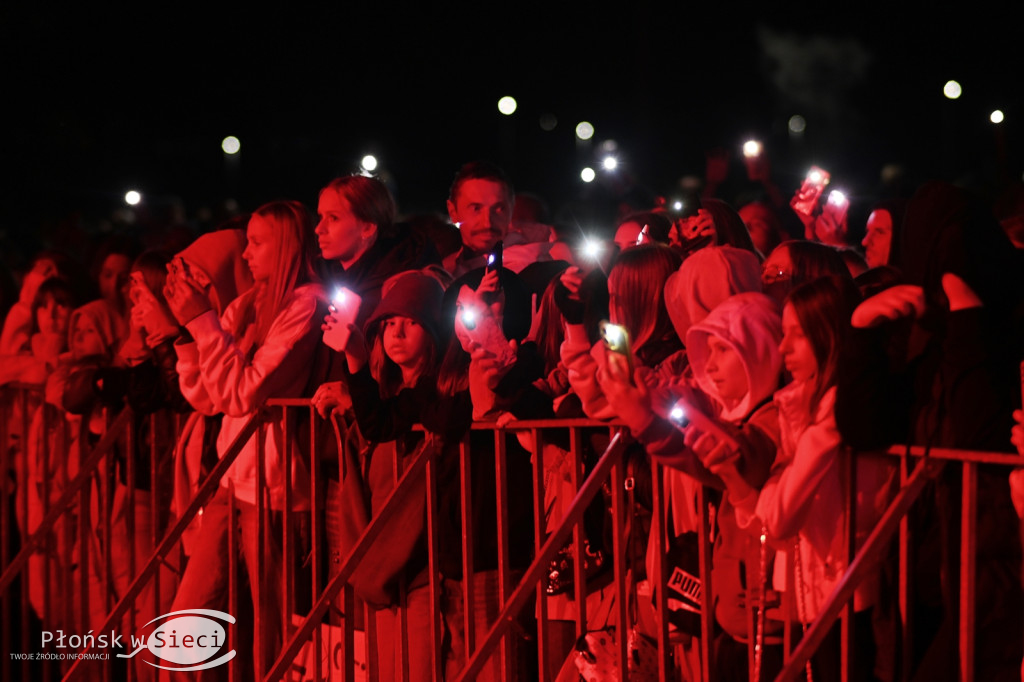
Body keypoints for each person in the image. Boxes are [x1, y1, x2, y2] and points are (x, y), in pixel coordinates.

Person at [166, 200, 328, 676]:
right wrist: (188, 334)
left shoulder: (307, 303)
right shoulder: (251, 301)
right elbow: (207, 397)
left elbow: (242, 392)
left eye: (257, 243)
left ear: (286, 248)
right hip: (230, 482)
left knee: (272, 637)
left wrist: (203, 326)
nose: (246, 254)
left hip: (276, 493)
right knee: (187, 624)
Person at [705, 277, 894, 681]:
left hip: (846, 596)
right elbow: (773, 524)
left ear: (829, 336)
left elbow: (780, 517)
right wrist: (742, 482)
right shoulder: (801, 407)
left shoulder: (833, 416)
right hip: (815, 595)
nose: (783, 348)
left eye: (798, 335)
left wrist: (774, 481)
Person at [318, 270, 445, 682]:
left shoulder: (434, 394)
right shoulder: (386, 394)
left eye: (411, 322)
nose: (397, 333)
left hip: (423, 564)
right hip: (383, 561)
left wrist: (354, 366)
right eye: (389, 323)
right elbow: (378, 421)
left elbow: (386, 421)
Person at [443, 161, 550, 276]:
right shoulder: (445, 270)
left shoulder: (533, 265)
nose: (487, 223)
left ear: (511, 209)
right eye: (476, 208)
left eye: (499, 209)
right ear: (453, 212)